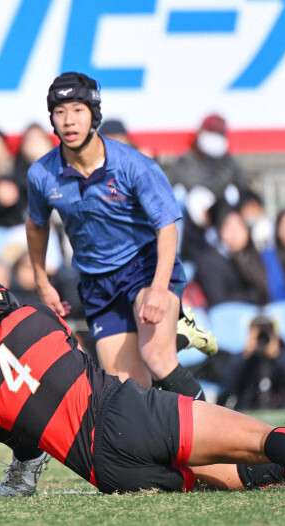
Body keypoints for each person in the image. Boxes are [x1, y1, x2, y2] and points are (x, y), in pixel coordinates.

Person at [0, 285, 285, 494]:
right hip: (124, 413)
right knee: (260, 440)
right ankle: (178, 339)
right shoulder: (36, 315)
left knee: (222, 474)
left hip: (107, 472)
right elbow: (77, 358)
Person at [26, 72, 211, 393]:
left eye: (78, 110)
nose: (69, 120)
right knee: (126, 389)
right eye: (60, 112)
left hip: (144, 267)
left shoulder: (133, 165)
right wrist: (43, 283)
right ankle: (160, 439)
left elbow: (167, 227)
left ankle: (213, 431)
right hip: (97, 282)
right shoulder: (41, 173)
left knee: (156, 356)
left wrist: (158, 288)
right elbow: (36, 225)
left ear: (94, 115)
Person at [165, 113, 249, 206]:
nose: (214, 138)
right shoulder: (184, 162)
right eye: (211, 132)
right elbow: (167, 190)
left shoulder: (230, 165)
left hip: (222, 214)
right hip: (188, 215)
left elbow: (244, 193)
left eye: (219, 134)